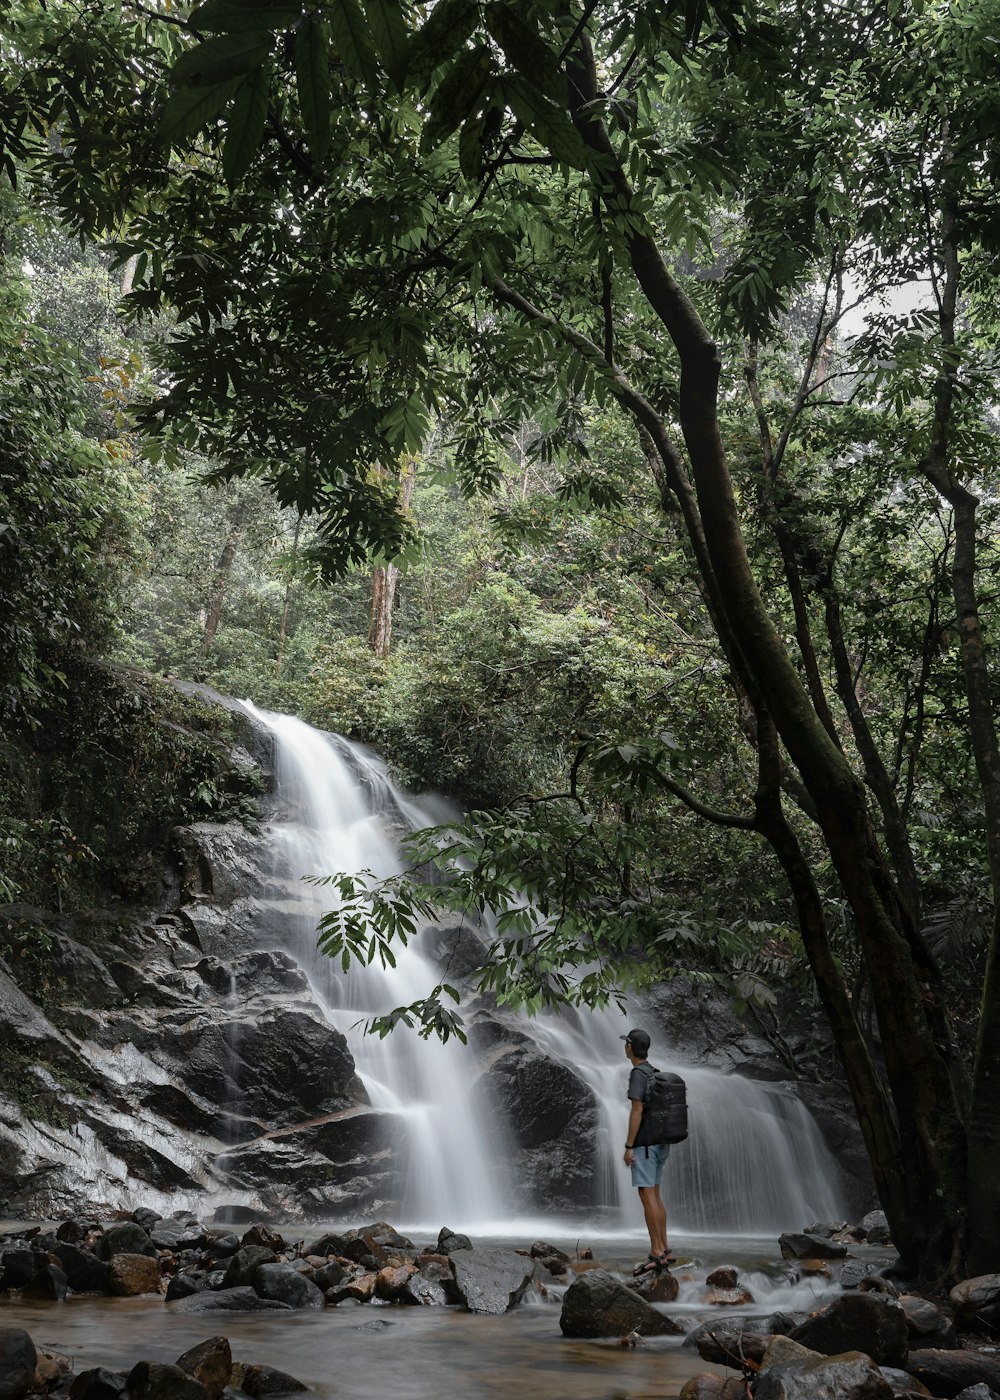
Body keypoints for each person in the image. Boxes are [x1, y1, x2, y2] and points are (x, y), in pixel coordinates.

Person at [621, 1027, 674, 1276]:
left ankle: (656, 1252)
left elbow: (637, 1111)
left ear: (630, 1047)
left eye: (626, 1043)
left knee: (646, 1195)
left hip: (645, 1144)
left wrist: (629, 1146)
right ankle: (665, 1248)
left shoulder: (638, 1074)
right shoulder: (655, 1072)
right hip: (661, 1142)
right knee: (655, 1194)